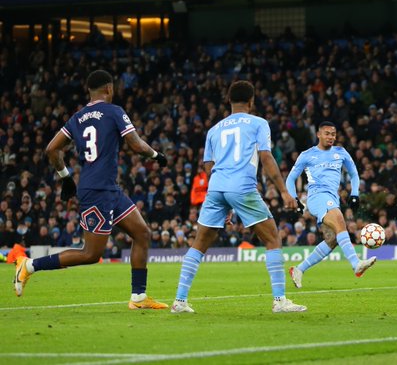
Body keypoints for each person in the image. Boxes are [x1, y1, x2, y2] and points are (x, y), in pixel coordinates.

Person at [14, 70, 169, 309]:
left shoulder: (77, 118)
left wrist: (65, 177)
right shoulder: (115, 111)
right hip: (97, 191)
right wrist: (157, 155)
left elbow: (51, 149)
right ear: (108, 88)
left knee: (142, 233)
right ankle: (29, 265)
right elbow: (136, 144)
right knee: (90, 254)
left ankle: (138, 297)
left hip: (107, 189)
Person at [171, 80, 306, 314]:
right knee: (273, 238)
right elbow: (266, 157)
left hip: (216, 188)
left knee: (199, 243)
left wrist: (225, 202)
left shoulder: (214, 129)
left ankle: (179, 301)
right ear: (252, 101)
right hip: (242, 187)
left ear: (229, 101)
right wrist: (284, 191)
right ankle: (280, 300)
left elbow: (207, 165)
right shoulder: (259, 123)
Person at [287, 122, 376, 288]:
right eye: (327, 134)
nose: (331, 137)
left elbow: (354, 174)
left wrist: (355, 193)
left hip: (332, 199)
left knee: (332, 239)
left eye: (333, 134)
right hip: (317, 197)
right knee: (340, 221)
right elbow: (290, 179)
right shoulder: (307, 155)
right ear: (319, 135)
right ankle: (356, 263)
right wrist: (295, 199)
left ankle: (299, 269)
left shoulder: (340, 152)